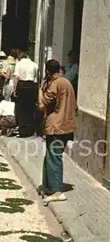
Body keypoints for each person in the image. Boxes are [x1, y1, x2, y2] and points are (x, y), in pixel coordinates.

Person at [38, 59, 77, 205]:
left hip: (56, 126)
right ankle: (49, 186)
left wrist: (41, 89)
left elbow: (43, 104)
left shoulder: (55, 84)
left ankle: (56, 191)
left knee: (54, 157)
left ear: (48, 71)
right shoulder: (66, 82)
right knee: (52, 156)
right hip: (65, 125)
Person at [13, 50, 39, 137]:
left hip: (22, 86)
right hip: (31, 86)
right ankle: (30, 129)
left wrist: (15, 90)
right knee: (30, 108)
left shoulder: (19, 64)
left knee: (21, 109)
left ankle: (22, 130)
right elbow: (36, 80)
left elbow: (16, 77)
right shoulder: (34, 65)